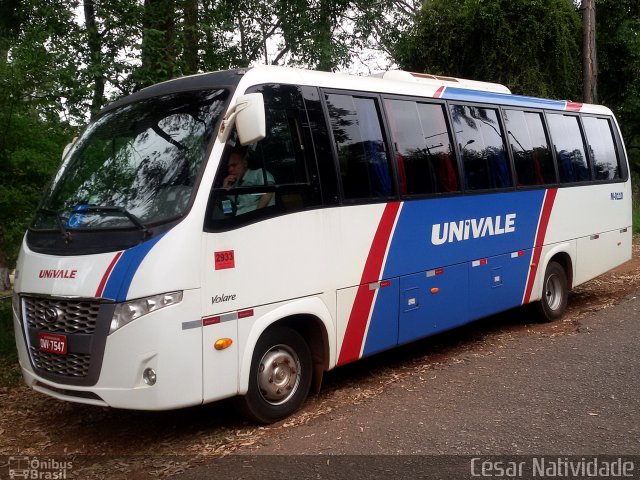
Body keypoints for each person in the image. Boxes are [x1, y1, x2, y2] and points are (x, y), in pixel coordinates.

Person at [222, 149, 275, 215]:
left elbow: (270, 190)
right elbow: (228, 211)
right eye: (228, 167)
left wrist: (256, 215)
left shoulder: (258, 173)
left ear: (245, 163)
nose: (230, 169)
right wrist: (224, 191)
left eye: (234, 165)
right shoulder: (235, 184)